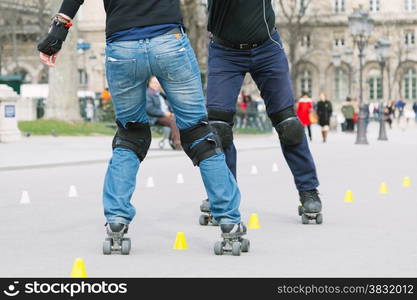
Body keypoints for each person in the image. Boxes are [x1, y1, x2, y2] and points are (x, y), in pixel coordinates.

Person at [38, 0, 248, 255]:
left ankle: (116, 222)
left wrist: (57, 34)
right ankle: (229, 221)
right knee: (198, 133)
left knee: (130, 135)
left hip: (122, 47)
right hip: (169, 42)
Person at [200, 0, 323, 226]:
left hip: (267, 48)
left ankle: (309, 191)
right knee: (218, 127)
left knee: (289, 125)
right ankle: (222, 195)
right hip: (225, 51)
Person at [146, 76, 181, 150]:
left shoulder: (161, 94)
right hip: (154, 117)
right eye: (154, 83)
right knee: (173, 121)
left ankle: (177, 140)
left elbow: (170, 105)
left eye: (158, 83)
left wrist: (172, 112)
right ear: (150, 84)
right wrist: (164, 113)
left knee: (180, 119)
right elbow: (149, 109)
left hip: (166, 115)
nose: (156, 85)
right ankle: (177, 143)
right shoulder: (148, 93)